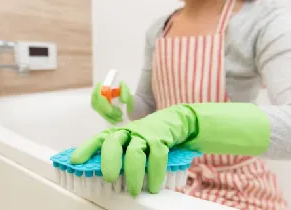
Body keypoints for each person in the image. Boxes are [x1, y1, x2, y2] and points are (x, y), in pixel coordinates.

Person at [71, 0, 291, 209]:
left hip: (240, 187)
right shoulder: (159, 29)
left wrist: (190, 122)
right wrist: (123, 102)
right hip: (168, 178)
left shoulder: (264, 20)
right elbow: (148, 106)